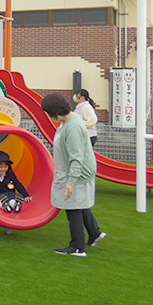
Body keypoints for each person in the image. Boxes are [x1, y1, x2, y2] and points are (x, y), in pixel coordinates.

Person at [41, 93, 106, 257]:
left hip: (76, 173)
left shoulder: (73, 127)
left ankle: (77, 247)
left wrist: (71, 182)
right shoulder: (68, 121)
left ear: (54, 111)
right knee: (80, 204)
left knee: (73, 207)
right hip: (72, 171)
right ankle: (94, 233)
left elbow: (76, 158)